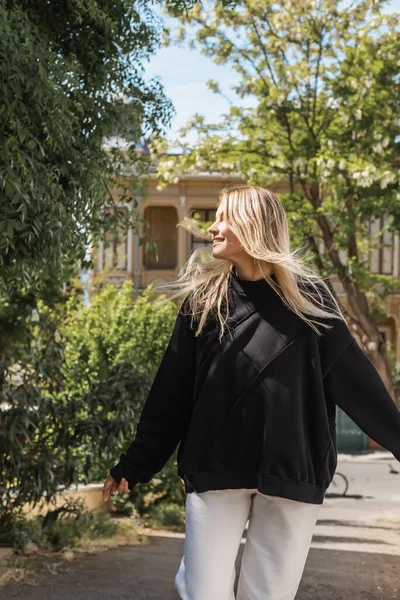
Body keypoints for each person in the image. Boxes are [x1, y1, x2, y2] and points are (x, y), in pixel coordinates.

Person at [102, 185, 400, 600]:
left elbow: (358, 382)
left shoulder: (311, 301)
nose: (212, 227)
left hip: (292, 472)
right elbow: (171, 393)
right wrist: (134, 464)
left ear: (253, 225)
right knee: (202, 592)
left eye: (223, 217)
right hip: (215, 468)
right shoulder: (204, 303)